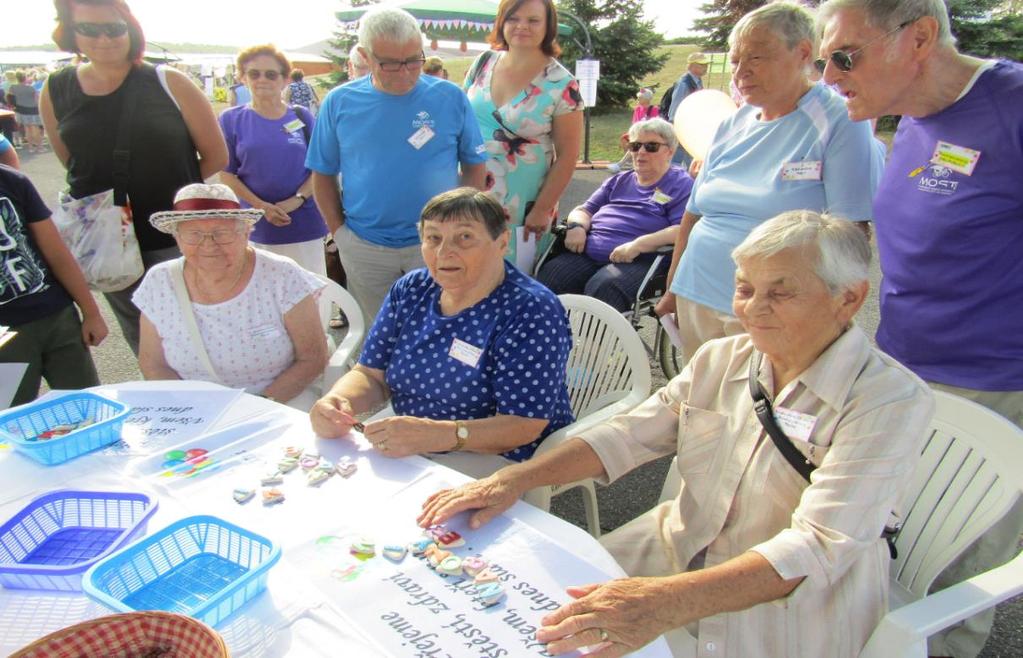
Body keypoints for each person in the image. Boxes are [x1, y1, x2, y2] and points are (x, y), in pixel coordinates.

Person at [420, 210, 935, 658]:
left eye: (781, 293)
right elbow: (629, 434)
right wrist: (512, 481)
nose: (754, 309)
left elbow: (819, 546)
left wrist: (665, 602)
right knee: (519, 612)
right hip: (674, 546)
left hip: (795, 601)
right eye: (744, 288)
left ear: (849, 300)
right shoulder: (721, 357)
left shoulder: (887, 400)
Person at [817, 2, 1023, 656]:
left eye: (844, 55)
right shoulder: (909, 112)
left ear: (919, 39)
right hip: (901, 372)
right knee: (886, 548)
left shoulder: (1011, 108)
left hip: (991, 388)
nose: (828, 74)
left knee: (950, 581)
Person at [655, 2, 882, 364]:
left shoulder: (838, 119)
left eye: (756, 58)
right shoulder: (733, 123)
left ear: (803, 53)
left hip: (775, 310)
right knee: (705, 407)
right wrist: (673, 288)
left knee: (767, 414)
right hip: (698, 293)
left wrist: (831, 316)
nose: (742, 72)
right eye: (735, 61)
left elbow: (851, 233)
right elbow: (694, 215)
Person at [310, 187, 573, 464]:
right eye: (433, 238)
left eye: (465, 237)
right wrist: (339, 401)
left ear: (502, 242)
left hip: (501, 455)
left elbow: (524, 425)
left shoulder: (531, 310)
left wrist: (439, 435)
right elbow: (372, 374)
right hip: (412, 436)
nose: (444, 251)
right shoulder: (412, 289)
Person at [40, 0, 228, 356]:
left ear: (130, 29)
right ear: (70, 32)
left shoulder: (169, 82)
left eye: (113, 28)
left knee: (199, 329)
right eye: (89, 29)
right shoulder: (56, 88)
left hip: (174, 234)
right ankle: (167, 406)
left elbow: (217, 155)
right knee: (143, 337)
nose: (104, 38)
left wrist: (174, 194)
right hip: (108, 238)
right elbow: (72, 160)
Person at [306, 7, 486, 327]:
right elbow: (322, 174)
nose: (404, 73)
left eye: (413, 60)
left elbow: (474, 165)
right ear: (364, 56)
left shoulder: (450, 97)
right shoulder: (339, 102)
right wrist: (341, 234)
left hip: (439, 244)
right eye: (390, 63)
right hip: (365, 245)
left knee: (442, 327)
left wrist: (461, 227)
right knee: (377, 334)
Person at [134, 183, 328, 408]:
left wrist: (260, 404)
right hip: (191, 407)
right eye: (194, 234)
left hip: (276, 402)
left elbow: (313, 357)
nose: (208, 244)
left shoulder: (281, 274)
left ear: (246, 232)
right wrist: (190, 409)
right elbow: (153, 363)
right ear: (177, 238)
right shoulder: (159, 281)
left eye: (221, 233)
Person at [463, 0, 584, 265]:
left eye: (533, 20)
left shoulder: (561, 83)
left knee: (513, 283)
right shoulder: (483, 62)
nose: (522, 27)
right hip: (471, 194)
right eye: (513, 18)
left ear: (547, 26)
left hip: (523, 207)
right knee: (467, 274)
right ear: (502, 22)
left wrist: (542, 209)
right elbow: (459, 120)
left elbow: (567, 156)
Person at [537, 118, 693, 312]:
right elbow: (583, 210)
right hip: (589, 252)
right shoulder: (619, 180)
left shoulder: (680, 183)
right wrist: (576, 227)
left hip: (639, 259)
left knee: (604, 288)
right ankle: (549, 338)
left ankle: (596, 343)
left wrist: (638, 245)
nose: (641, 152)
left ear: (670, 150)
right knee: (551, 276)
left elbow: (683, 229)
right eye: (635, 146)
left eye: (651, 146)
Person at [0, 164, 107, 406]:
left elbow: (56, 252)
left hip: (56, 318)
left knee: (87, 406)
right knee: (10, 423)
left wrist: (91, 312)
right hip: (4, 339)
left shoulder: (12, 180)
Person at [219, 45, 327, 277]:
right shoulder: (231, 120)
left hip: (303, 221)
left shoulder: (302, 116)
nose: (262, 80)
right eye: (254, 74)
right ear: (242, 78)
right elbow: (226, 174)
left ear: (285, 79)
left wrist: (297, 199)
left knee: (312, 292)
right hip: (257, 225)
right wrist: (261, 206)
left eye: (271, 74)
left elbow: (320, 167)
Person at [662, 52, 709, 168]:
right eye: (702, 65)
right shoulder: (684, 84)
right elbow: (675, 108)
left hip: (691, 125)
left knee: (690, 154)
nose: (705, 67)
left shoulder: (697, 81)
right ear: (692, 66)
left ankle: (689, 180)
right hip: (682, 126)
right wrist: (675, 127)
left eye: (706, 64)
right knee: (677, 157)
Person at [607, 87, 660, 173]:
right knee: (624, 138)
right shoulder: (638, 109)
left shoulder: (654, 109)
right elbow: (634, 122)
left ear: (647, 99)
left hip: (649, 134)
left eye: (640, 97)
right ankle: (631, 161)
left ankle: (620, 164)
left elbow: (655, 124)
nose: (638, 99)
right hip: (638, 132)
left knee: (635, 143)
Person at [9, 71, 44, 152]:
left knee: (27, 128)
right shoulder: (31, 88)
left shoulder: (13, 87)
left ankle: (31, 148)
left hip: (20, 110)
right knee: (35, 128)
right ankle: (40, 147)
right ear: (25, 78)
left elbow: (10, 98)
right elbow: (36, 100)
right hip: (32, 110)